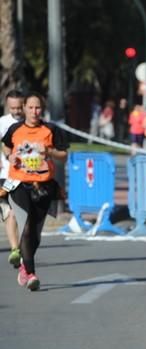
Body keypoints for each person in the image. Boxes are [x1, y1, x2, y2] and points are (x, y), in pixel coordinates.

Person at [1, 92, 69, 291]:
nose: (34, 111)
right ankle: (30, 274)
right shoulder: (15, 129)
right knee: (27, 226)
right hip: (19, 184)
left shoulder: (51, 129)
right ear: (24, 109)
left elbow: (63, 156)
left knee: (36, 234)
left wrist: (49, 152)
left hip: (43, 186)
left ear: (43, 109)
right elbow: (6, 146)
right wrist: (10, 157)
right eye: (30, 107)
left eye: (37, 107)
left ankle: (24, 265)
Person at [0, 90, 23, 268]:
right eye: (12, 108)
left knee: (23, 215)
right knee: (9, 213)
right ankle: (15, 249)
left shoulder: (31, 122)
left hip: (26, 176)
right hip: (5, 176)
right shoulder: (2, 123)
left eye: (19, 107)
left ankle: (23, 247)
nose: (16, 111)